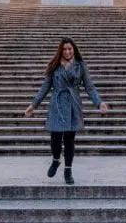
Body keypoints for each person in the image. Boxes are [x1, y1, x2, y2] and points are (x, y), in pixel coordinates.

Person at [24, 37, 108, 185]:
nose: (67, 51)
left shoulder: (80, 66)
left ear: (74, 49)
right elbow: (45, 87)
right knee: (55, 139)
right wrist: (34, 104)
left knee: (69, 140)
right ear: (61, 50)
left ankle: (68, 170)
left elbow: (89, 87)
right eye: (64, 49)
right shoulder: (54, 66)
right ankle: (56, 159)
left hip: (73, 105)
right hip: (57, 104)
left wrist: (99, 103)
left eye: (70, 49)